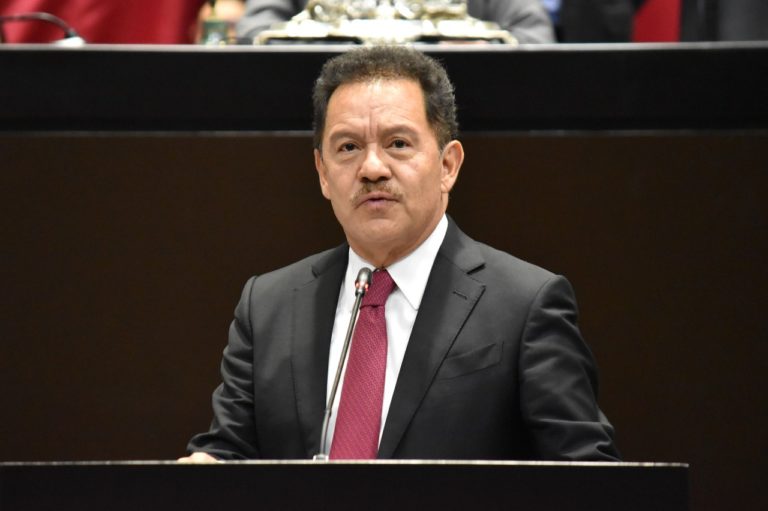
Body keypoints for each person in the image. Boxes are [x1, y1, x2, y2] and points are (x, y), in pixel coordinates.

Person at [180, 46, 618, 463]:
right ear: (322, 173)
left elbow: (586, 475)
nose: (372, 168)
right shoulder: (268, 305)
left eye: (398, 143)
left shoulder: (524, 304)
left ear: (448, 165)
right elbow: (229, 451)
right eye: (348, 147)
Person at [236, 0, 556, 44]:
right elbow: (255, 32)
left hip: (460, 122)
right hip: (322, 123)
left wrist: (480, 48)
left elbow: (536, 37)